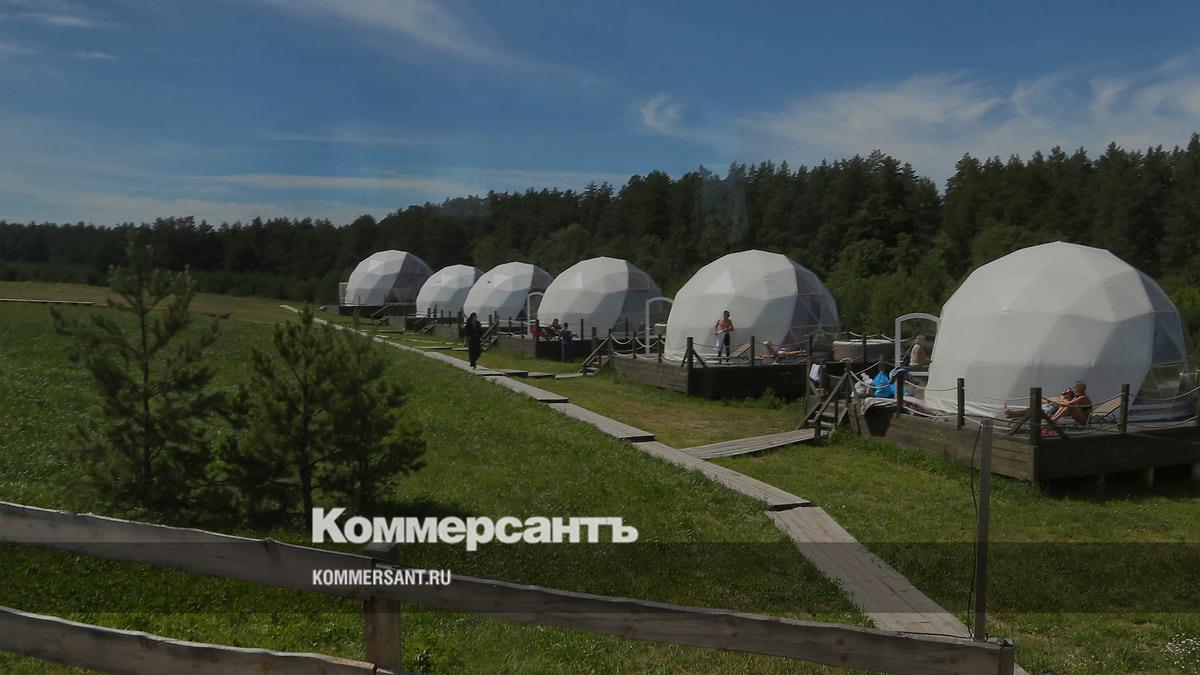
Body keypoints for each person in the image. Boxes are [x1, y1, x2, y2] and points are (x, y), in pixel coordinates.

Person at [1003, 380, 1093, 425]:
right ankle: (1052, 419)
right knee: (1032, 409)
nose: (1074, 389)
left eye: (1075, 388)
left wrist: (1057, 402)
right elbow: (1048, 400)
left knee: (1068, 406)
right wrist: (1051, 401)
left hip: (1085, 420)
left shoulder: (1082, 397)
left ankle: (1053, 420)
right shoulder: (1074, 397)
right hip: (1051, 408)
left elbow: (1070, 404)